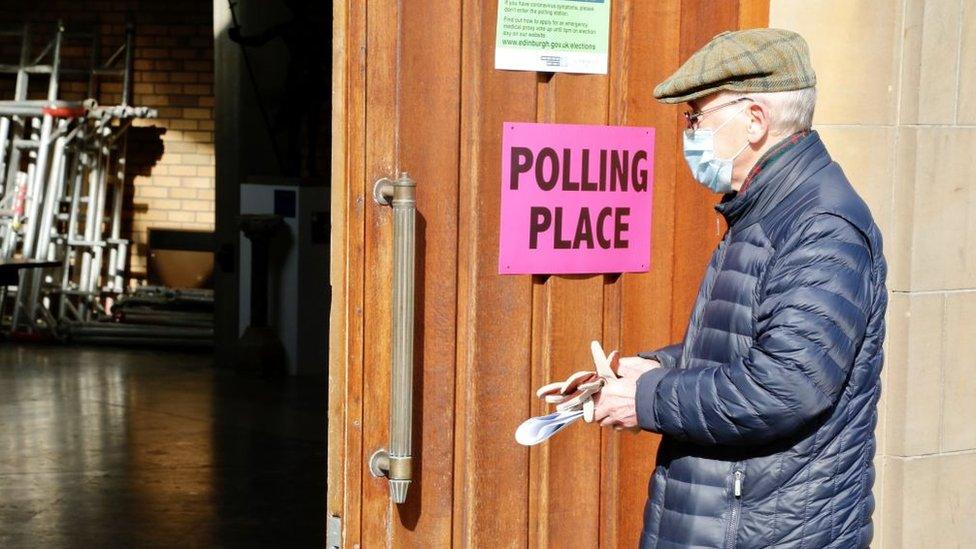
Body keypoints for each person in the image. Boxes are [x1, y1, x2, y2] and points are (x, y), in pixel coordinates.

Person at [592, 28, 888, 548]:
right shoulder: (768, 209)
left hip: (766, 530)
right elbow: (753, 344)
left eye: (698, 117)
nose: (690, 133)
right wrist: (659, 368)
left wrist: (649, 400)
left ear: (755, 120)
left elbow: (784, 386)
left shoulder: (821, 224)